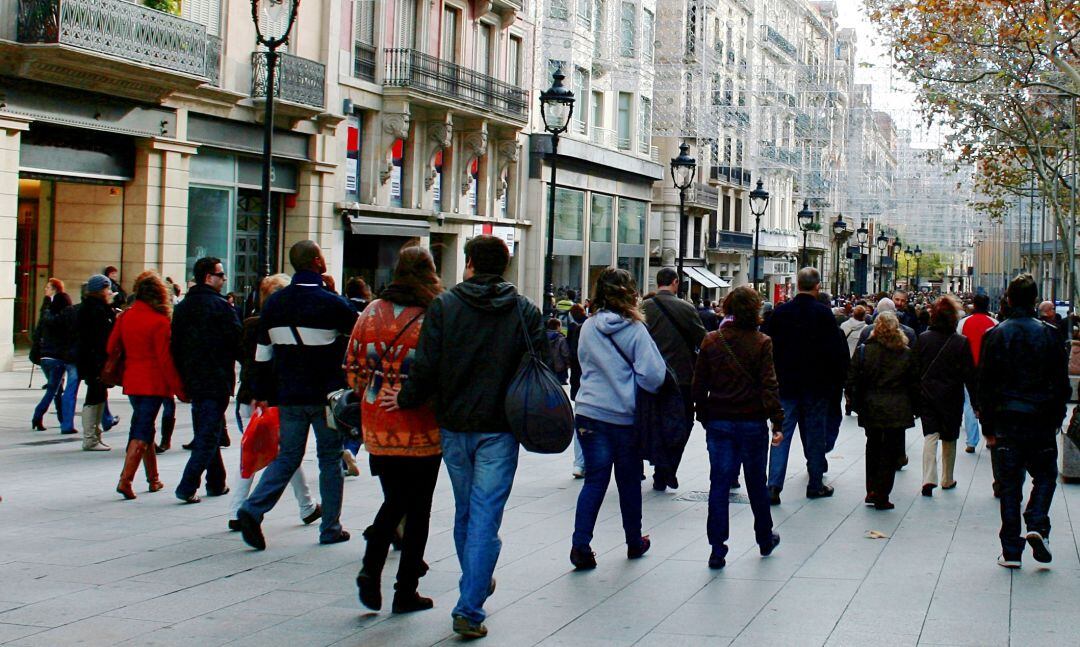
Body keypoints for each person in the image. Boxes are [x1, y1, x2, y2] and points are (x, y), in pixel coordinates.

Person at [380, 235, 547, 640]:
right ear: (504, 266)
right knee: (485, 515)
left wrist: (403, 398)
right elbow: (540, 364)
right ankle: (471, 600)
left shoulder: (445, 306)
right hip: (501, 427)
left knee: (465, 511)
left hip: (455, 425)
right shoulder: (525, 311)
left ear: (469, 263)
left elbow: (426, 365)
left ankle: (473, 589)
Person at [237, 241, 357, 549]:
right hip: (327, 396)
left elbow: (262, 355)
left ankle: (253, 508)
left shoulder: (274, 304)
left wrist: (263, 392)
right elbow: (355, 339)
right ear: (317, 261)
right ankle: (330, 527)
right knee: (329, 459)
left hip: (288, 394)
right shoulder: (332, 303)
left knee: (289, 456)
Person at [346, 247, 442, 615]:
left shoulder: (370, 312)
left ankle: (373, 568)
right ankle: (405, 590)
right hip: (421, 426)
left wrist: (376, 390)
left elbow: (353, 370)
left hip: (378, 424)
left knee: (395, 499)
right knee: (418, 509)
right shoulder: (435, 314)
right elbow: (440, 371)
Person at [569, 268, 666, 573]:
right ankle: (633, 541)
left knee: (595, 481)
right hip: (623, 417)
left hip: (589, 412)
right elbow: (654, 376)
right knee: (628, 481)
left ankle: (580, 545)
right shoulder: (635, 329)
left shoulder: (588, 326)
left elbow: (582, 365)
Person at [979, 274, 1071, 568]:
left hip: (1007, 419)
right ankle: (1037, 522)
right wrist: (1058, 416)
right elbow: (1061, 382)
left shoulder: (995, 335)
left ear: (1007, 299)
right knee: (1045, 476)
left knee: (1009, 485)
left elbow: (986, 385)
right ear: (1034, 300)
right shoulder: (1049, 334)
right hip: (1041, 418)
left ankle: (1011, 551)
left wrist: (988, 427)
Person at [692, 286, 783, 570]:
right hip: (752, 421)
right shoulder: (762, 342)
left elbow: (698, 386)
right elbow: (769, 385)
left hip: (720, 420)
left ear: (728, 308)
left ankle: (717, 548)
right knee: (756, 482)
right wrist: (777, 421)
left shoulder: (711, 341)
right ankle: (764, 537)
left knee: (719, 484)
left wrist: (704, 415)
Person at [228, 273, 320, 532]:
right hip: (273, 400)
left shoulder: (250, 325)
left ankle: (306, 505)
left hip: (251, 397)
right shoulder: (280, 328)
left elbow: (246, 360)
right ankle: (242, 508)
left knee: (267, 453)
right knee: (281, 453)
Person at [764, 268, 849, 504]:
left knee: (780, 434)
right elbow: (834, 353)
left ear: (796, 285)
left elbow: (767, 348)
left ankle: (773, 486)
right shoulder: (823, 314)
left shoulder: (780, 313)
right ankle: (815, 484)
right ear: (817, 286)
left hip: (785, 385)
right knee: (814, 436)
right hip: (816, 386)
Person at [110, 272, 187, 500]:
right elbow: (165, 359)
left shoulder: (126, 316)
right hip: (153, 383)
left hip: (132, 379)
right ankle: (126, 479)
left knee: (145, 426)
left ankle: (153, 478)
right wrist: (178, 388)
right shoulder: (160, 321)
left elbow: (111, 345)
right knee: (142, 430)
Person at [172, 257, 242, 504]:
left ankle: (216, 481)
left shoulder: (183, 307)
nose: (224, 279)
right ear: (208, 277)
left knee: (207, 427)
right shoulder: (221, 307)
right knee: (209, 434)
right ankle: (187, 485)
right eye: (220, 275)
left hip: (193, 377)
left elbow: (175, 346)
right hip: (216, 376)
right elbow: (237, 342)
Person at [846, 312, 920, 510]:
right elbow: (914, 383)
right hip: (897, 406)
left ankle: (871, 488)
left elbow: (852, 379)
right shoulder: (905, 353)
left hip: (871, 406)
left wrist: (854, 403)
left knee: (873, 446)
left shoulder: (864, 351)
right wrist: (916, 407)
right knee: (890, 450)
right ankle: (882, 492)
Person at [642, 268, 707, 491]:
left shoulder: (643, 308)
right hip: (681, 378)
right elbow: (703, 340)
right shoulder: (686, 308)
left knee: (655, 422)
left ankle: (660, 464)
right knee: (684, 422)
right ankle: (668, 466)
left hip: (651, 376)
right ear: (675, 283)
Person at [918, 296, 977, 497]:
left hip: (927, 394)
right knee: (949, 437)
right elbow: (969, 375)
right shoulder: (960, 342)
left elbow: (915, 368)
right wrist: (977, 403)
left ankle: (928, 477)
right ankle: (947, 478)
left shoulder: (923, 339)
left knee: (930, 435)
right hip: (951, 395)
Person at [30, 279, 79, 435]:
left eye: (48, 287)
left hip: (46, 356)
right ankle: (38, 416)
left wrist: (36, 350)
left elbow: (38, 332)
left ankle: (61, 418)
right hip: (57, 357)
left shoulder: (47, 312)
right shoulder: (64, 316)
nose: (46, 289)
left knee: (56, 389)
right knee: (53, 389)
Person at [76, 274, 117, 452]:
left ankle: (94, 435)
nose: (110, 292)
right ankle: (90, 438)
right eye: (107, 289)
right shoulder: (96, 310)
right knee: (95, 395)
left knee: (98, 395)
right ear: (100, 290)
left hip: (90, 359)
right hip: (95, 360)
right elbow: (101, 337)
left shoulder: (92, 307)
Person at [957, 294, 997, 453]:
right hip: (988, 370)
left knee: (968, 404)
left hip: (968, 369)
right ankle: (990, 437)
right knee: (989, 404)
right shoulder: (994, 323)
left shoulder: (963, 322)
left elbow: (958, 344)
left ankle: (971, 442)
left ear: (974, 305)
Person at [567, 303, 588, 478]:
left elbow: (573, 358)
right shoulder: (630, 327)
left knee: (581, 422)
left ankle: (580, 463)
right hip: (610, 392)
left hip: (582, 385)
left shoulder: (581, 330)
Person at [546, 318, 571, 384]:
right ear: (557, 326)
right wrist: (568, 363)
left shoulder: (543, 336)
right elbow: (565, 353)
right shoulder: (561, 339)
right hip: (559, 368)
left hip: (546, 366)